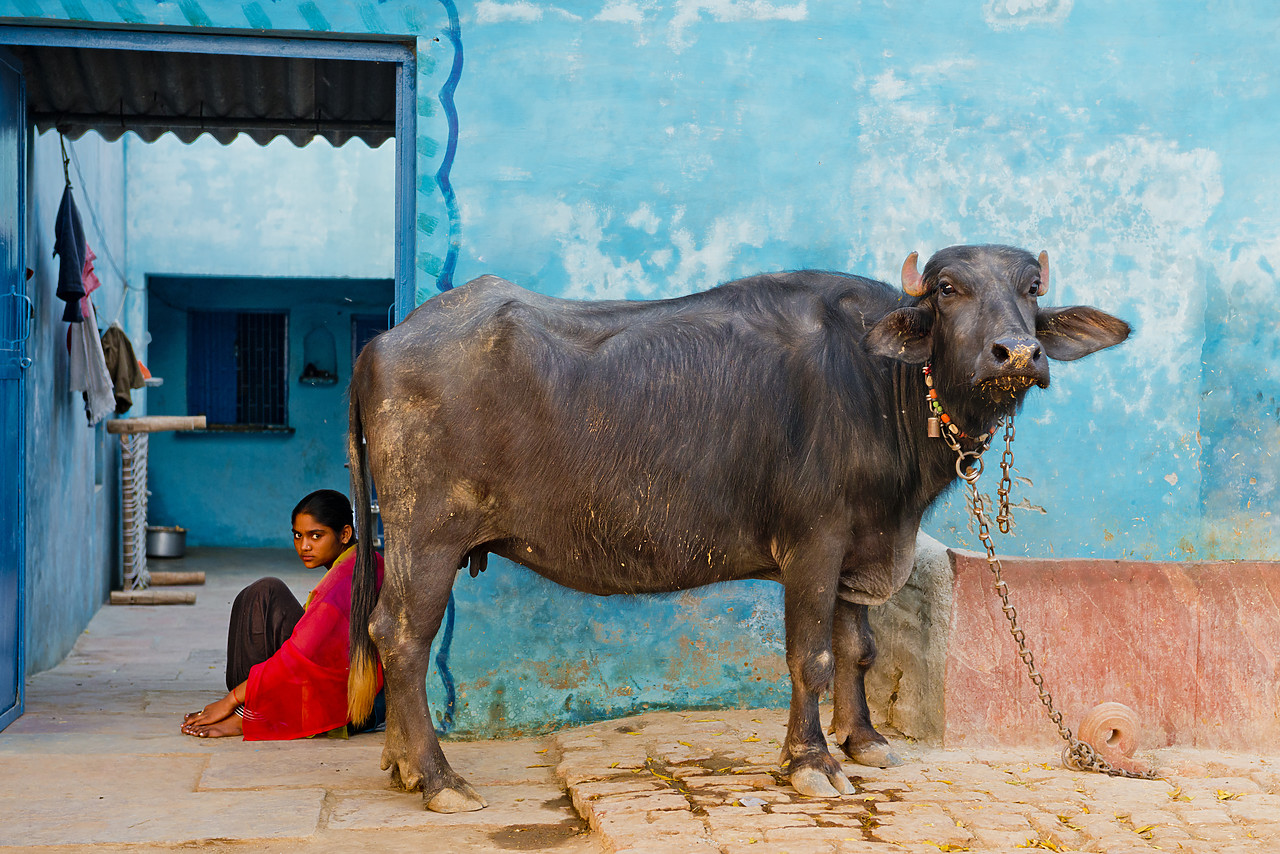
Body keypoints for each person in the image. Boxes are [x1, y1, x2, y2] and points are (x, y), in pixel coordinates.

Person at [181, 489, 384, 739]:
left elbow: (297, 656)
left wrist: (229, 700)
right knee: (258, 595)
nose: (304, 546)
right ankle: (249, 705)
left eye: (315, 536)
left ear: (344, 534)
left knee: (267, 592)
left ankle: (250, 714)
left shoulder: (342, 583)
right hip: (354, 689)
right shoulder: (364, 560)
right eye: (298, 536)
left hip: (355, 708)